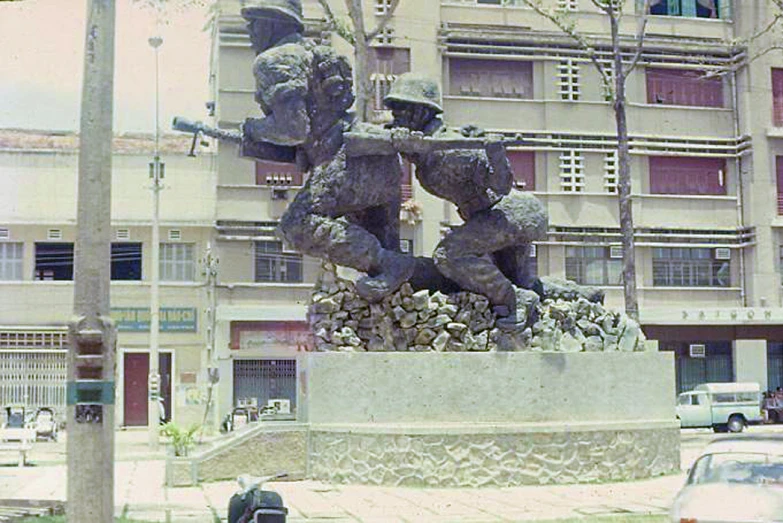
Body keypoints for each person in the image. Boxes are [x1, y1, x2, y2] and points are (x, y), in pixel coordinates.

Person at [346, 73, 548, 336]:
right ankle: (577, 293)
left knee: (449, 256)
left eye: (402, 109)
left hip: (511, 214)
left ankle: (515, 299)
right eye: (394, 110)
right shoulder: (422, 146)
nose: (396, 116)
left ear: (422, 111)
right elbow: (367, 138)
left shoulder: (455, 149)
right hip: (486, 220)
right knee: (523, 282)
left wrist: (496, 156)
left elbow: (501, 186)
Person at [240, 0, 415, 302]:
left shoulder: (275, 59)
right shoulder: (317, 53)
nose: (250, 32)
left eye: (253, 23)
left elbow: (294, 129)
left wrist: (252, 129)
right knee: (385, 261)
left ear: (273, 22)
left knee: (297, 225)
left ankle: (392, 265)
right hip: (379, 163)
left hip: (345, 165)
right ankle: (404, 291)